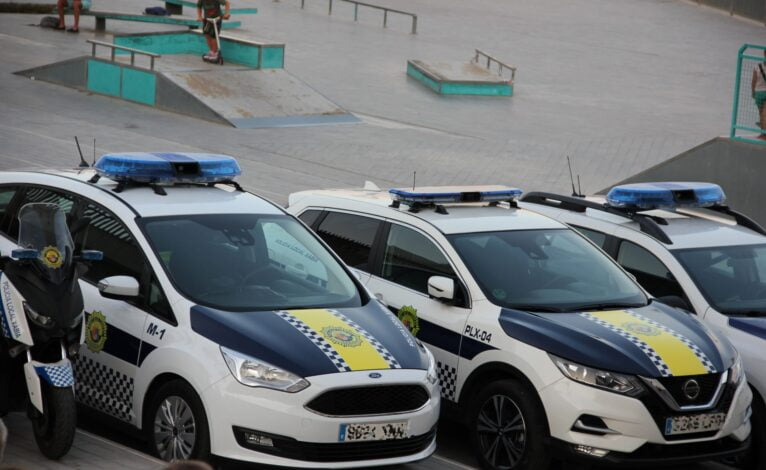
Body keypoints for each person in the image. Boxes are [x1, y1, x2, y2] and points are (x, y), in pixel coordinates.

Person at [752, 49, 766, 141]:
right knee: (763, 114)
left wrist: (753, 92)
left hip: (758, 93)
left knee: (762, 114)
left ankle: (764, 134)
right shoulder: (757, 67)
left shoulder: (757, 66)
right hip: (760, 93)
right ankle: (763, 133)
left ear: (764, 54)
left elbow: (753, 81)